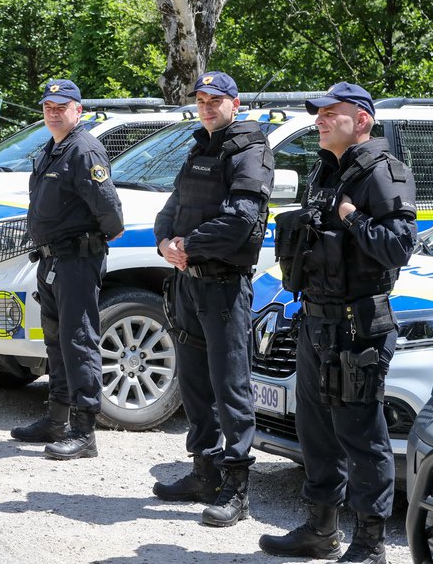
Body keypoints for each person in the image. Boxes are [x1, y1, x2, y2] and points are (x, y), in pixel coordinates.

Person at [260, 83, 416, 564]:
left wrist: (350, 217)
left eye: (332, 112)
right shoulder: (329, 170)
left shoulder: (383, 172)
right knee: (314, 429)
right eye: (319, 113)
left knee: (360, 433)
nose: (321, 119)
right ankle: (319, 530)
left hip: (357, 325)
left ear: (362, 120)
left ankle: (369, 544)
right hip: (317, 320)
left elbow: (397, 245)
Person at [151, 71, 274, 527]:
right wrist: (166, 243)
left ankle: (237, 491)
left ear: (235, 104)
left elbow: (241, 219)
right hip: (189, 282)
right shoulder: (201, 145)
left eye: (215, 100)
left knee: (230, 388)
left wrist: (187, 246)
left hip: (223, 284)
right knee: (196, 384)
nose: (206, 106)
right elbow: (172, 205)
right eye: (201, 99)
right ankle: (203, 472)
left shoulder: (250, 149)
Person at [9, 79, 123, 460]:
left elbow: (111, 214)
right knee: (56, 341)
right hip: (53, 258)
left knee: (78, 342)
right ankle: (55, 419)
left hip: (76, 258)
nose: (53, 112)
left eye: (61, 106)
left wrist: (87, 244)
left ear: (79, 110)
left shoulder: (84, 150)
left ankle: (84, 432)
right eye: (48, 107)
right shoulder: (54, 147)